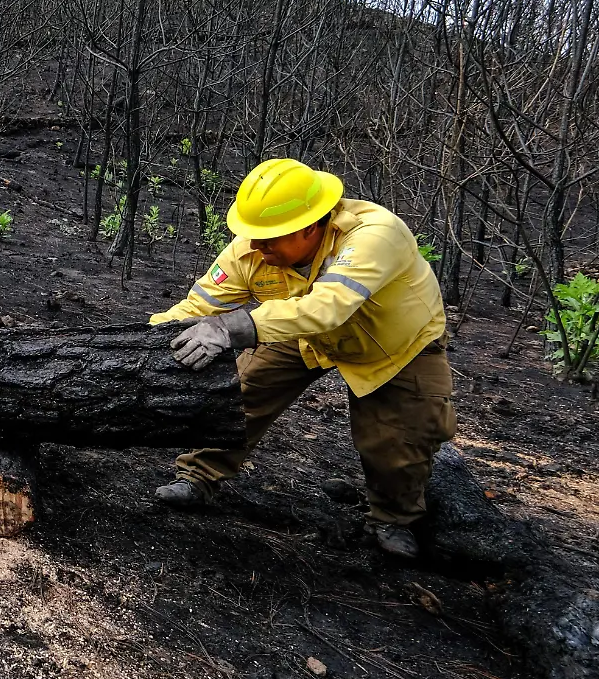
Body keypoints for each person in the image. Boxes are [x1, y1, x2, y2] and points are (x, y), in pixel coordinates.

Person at [151, 157, 455, 559]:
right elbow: (198, 306)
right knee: (241, 395)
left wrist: (231, 329)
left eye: (268, 239)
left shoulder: (375, 235)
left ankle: (392, 518)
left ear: (310, 227)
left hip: (395, 347)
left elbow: (329, 307)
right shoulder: (252, 249)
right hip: (302, 333)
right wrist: (148, 339)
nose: (255, 247)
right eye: (252, 235)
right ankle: (199, 476)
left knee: (397, 444)